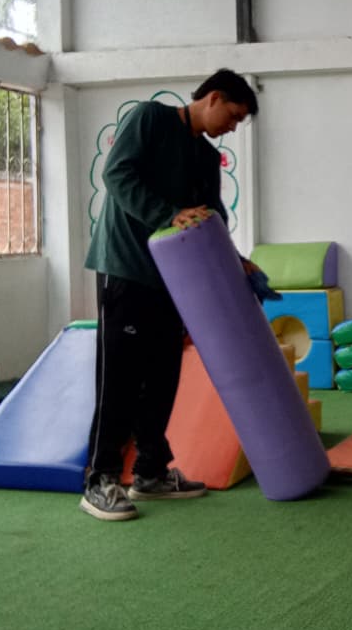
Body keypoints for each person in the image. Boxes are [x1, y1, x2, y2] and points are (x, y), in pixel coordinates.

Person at [80, 69, 259, 521]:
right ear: (213, 97)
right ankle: (100, 479)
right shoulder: (150, 119)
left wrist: (235, 259)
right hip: (125, 267)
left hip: (175, 278)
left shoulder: (205, 156)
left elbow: (212, 217)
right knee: (120, 379)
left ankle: (150, 472)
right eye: (233, 115)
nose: (232, 127)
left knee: (163, 376)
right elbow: (116, 173)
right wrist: (168, 213)